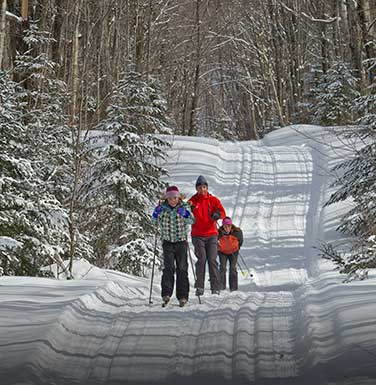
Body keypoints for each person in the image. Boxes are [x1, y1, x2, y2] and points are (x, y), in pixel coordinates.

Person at [152, 185, 194, 307]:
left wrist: (185, 214)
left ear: (178, 197)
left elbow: (192, 221)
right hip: (168, 242)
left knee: (182, 268)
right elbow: (154, 222)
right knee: (168, 268)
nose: (173, 200)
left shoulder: (184, 207)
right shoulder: (162, 208)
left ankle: (183, 296)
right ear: (167, 198)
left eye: (175, 198)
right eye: (170, 198)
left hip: (181, 242)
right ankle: (166, 294)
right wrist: (156, 214)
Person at [188, 175, 226, 296]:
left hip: (212, 234)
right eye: (199, 188)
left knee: (213, 260)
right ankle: (200, 286)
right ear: (196, 189)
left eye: (204, 187)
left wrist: (217, 214)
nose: (202, 190)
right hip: (198, 235)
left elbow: (222, 212)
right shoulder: (193, 200)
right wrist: (190, 209)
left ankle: (215, 287)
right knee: (202, 259)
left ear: (207, 187)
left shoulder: (213, 200)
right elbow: (185, 211)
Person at [218, 217, 243, 292]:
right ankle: (221, 286)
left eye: (229, 226)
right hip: (222, 252)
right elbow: (215, 242)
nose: (227, 228)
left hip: (234, 252)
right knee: (222, 267)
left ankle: (233, 287)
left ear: (231, 225)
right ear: (223, 226)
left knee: (232, 268)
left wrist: (236, 247)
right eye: (225, 226)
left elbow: (240, 241)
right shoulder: (219, 232)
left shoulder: (237, 232)